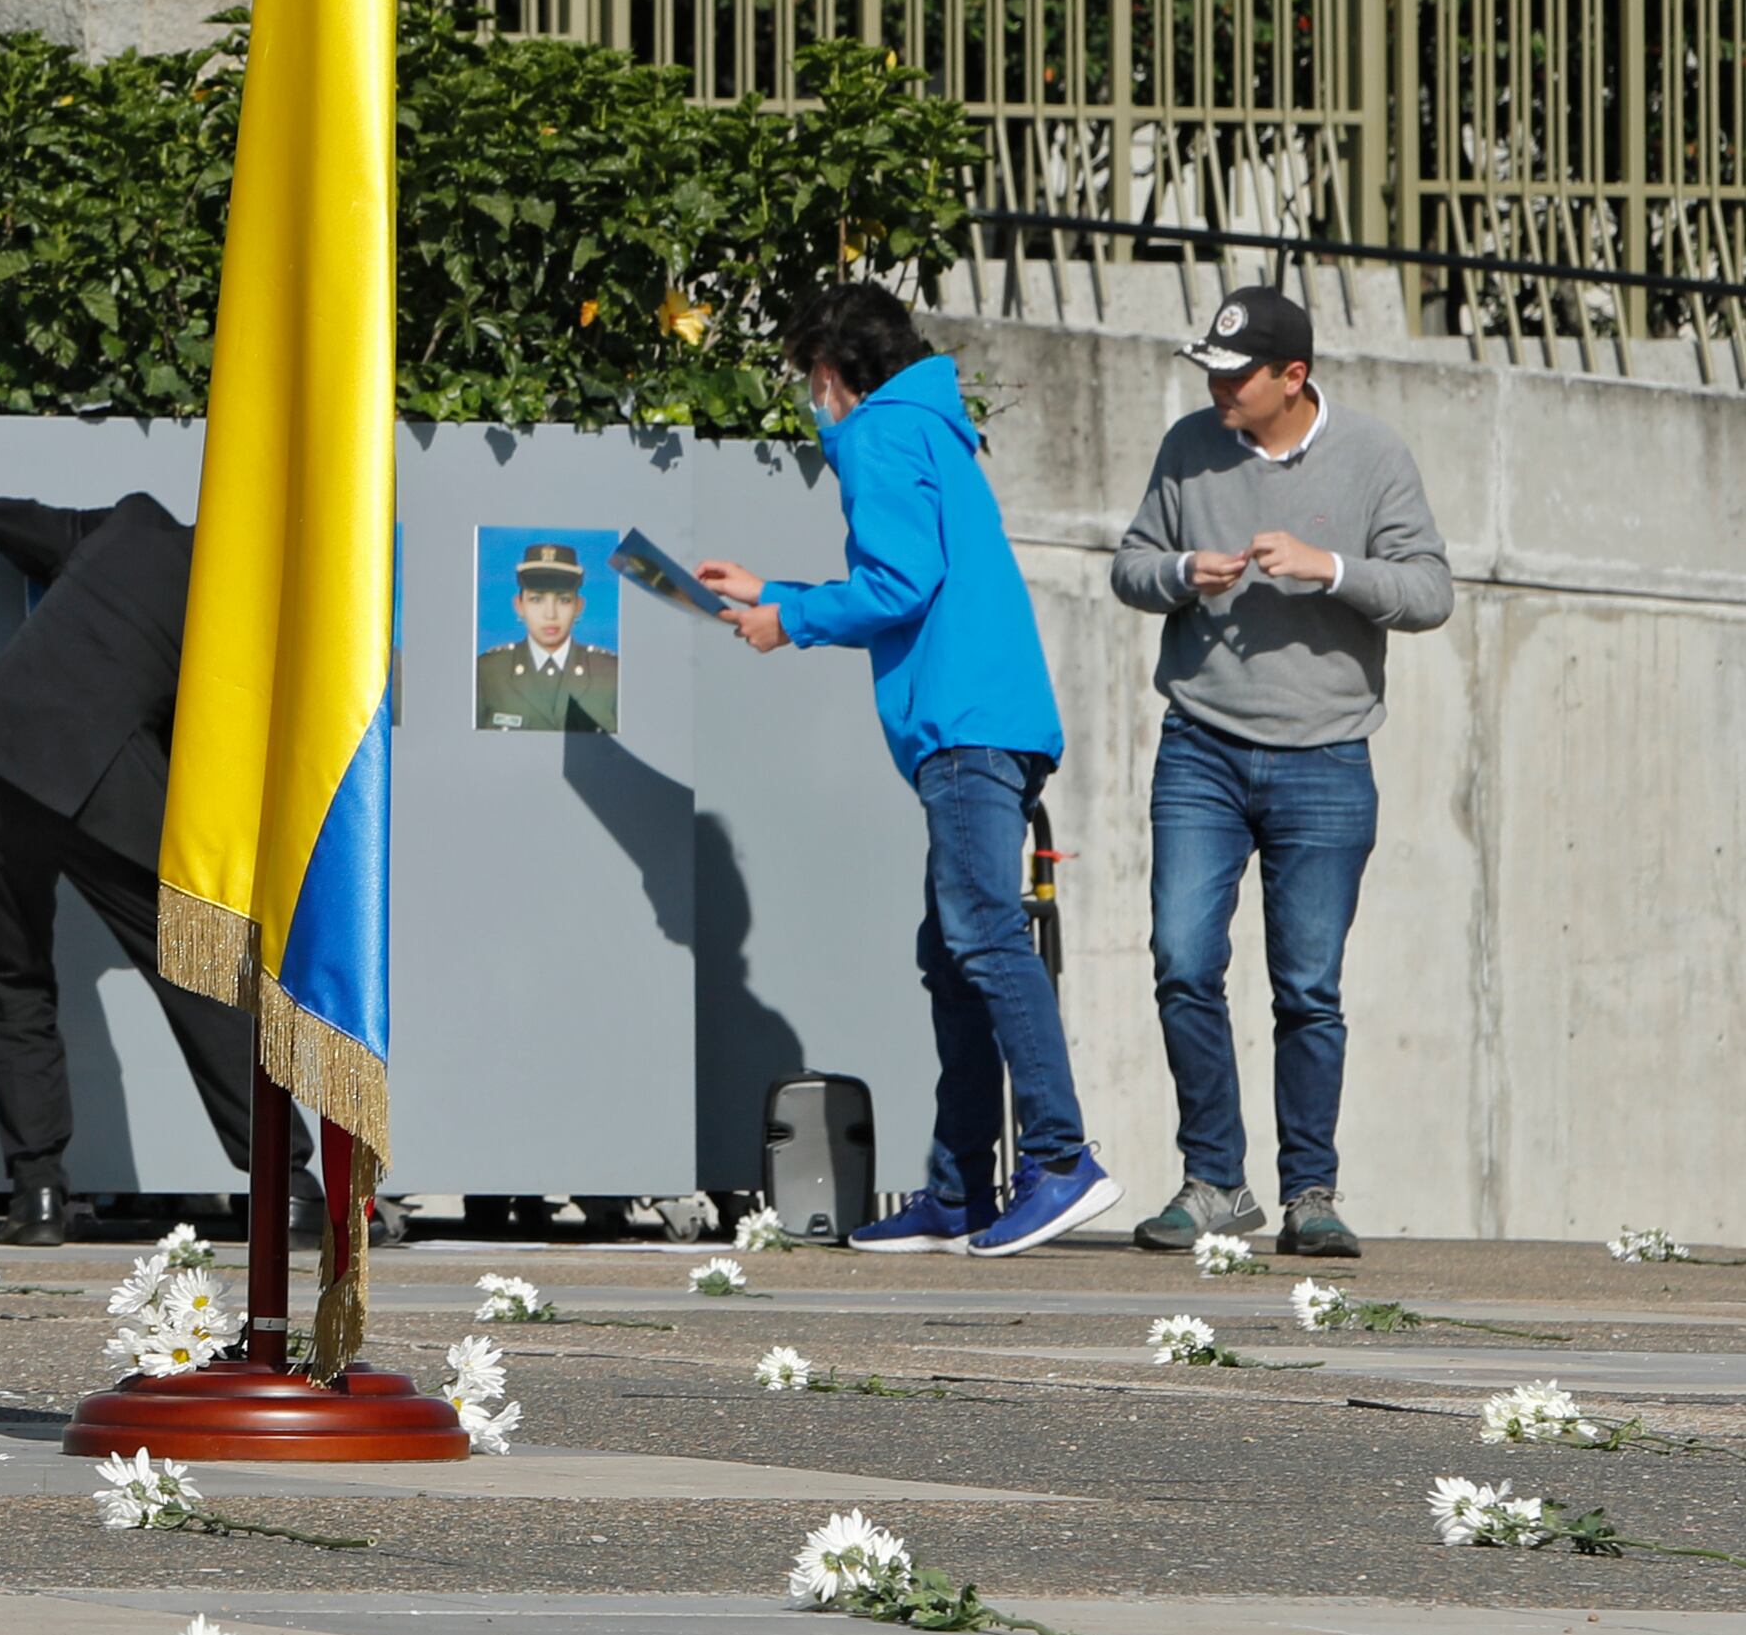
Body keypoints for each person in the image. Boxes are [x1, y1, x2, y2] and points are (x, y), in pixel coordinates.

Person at [695, 284, 1115, 1260]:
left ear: (827, 373)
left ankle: (1060, 1159)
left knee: (984, 939)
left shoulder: (878, 432)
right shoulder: (931, 427)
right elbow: (915, 576)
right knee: (953, 955)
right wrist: (772, 592)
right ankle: (960, 1188)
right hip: (987, 719)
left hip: (962, 728)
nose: (811, 401)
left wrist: (788, 621)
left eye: (807, 380)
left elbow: (898, 583)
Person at [1111, 286, 1451, 1262]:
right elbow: (1129, 565)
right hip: (1201, 747)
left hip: (1327, 756)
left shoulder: (1373, 454)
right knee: (1182, 960)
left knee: (1306, 987)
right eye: (1211, 372)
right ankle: (1214, 1181)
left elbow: (1429, 590)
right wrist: (1180, 572)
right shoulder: (1188, 446)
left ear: (1292, 376)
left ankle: (1310, 1192)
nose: (1218, 389)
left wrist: (1328, 567)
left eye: (1236, 375)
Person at [0, 491, 260, 1242]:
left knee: (15, 978)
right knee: (200, 971)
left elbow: (0, 518)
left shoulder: (133, 523)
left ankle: (36, 1196)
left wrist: (84, 546)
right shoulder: (235, 607)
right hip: (101, 769)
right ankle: (289, 1189)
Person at [473, 537, 622, 732]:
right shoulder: (487, 672)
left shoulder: (612, 674)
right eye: (536, 599)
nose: (550, 614)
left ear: (578, 607)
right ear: (519, 605)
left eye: (564, 600)